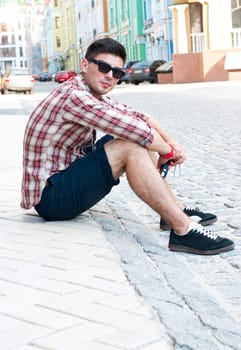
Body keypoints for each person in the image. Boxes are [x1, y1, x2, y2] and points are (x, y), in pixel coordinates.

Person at [21, 38, 234, 255]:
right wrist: (167, 151)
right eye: (103, 67)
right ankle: (183, 230)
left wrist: (171, 142)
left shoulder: (88, 91)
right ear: (85, 65)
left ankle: (173, 211)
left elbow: (139, 117)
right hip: (52, 198)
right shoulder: (75, 96)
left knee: (136, 137)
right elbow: (135, 130)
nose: (109, 76)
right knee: (131, 145)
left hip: (64, 180)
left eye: (117, 72)